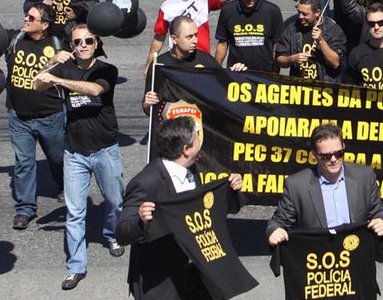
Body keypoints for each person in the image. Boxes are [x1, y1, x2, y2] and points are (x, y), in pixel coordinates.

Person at [33, 24, 124, 290]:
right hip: (75, 152)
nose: (83, 45)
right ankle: (76, 266)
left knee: (115, 201)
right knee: (74, 213)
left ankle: (111, 235)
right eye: (77, 42)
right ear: (71, 45)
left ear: (97, 44)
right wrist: (51, 62)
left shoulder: (107, 70)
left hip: (105, 149)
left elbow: (95, 91)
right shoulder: (64, 65)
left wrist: (59, 81)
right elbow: (37, 85)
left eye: (88, 41)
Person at [116, 117, 244, 300]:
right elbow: (121, 233)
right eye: (197, 137)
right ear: (186, 149)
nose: (201, 139)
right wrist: (140, 221)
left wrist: (232, 191)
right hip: (161, 282)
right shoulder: (146, 182)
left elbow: (207, 211)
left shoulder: (191, 170)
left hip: (195, 274)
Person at [266, 124, 383, 246]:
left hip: (356, 253)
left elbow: (378, 212)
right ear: (314, 155)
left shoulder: (364, 176)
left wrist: (381, 221)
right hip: (316, 256)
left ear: (343, 147)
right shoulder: (297, 185)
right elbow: (278, 222)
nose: (334, 159)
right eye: (326, 156)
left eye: (339, 153)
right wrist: (275, 231)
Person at [6, 3, 66, 231]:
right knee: (23, 163)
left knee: (58, 158)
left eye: (31, 17)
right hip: (19, 116)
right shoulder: (14, 40)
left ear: (45, 24)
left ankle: (63, 187)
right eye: (26, 15)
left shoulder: (57, 44)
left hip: (50, 116)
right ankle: (25, 208)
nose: (26, 19)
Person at [145, 0, 241, 72]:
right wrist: (149, 65)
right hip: (177, 61)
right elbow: (158, 39)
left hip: (201, 60)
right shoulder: (167, 6)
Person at [142, 16, 220, 115]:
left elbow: (224, 91)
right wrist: (148, 104)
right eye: (189, 37)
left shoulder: (206, 61)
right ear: (174, 39)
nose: (195, 41)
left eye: (196, 35)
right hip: (171, 125)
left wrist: (237, 73)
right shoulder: (159, 65)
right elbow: (148, 110)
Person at [214, 0, 284, 72]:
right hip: (236, 71)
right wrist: (215, 71)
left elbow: (276, 45)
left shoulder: (272, 11)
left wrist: (275, 74)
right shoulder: (228, 10)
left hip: (264, 73)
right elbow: (222, 43)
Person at [276, 0, 347, 82]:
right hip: (299, 87)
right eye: (299, 12)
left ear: (317, 12)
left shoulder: (332, 30)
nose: (300, 17)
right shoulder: (293, 29)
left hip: (324, 88)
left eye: (305, 14)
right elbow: (279, 59)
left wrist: (321, 41)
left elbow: (335, 63)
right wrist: (292, 59)